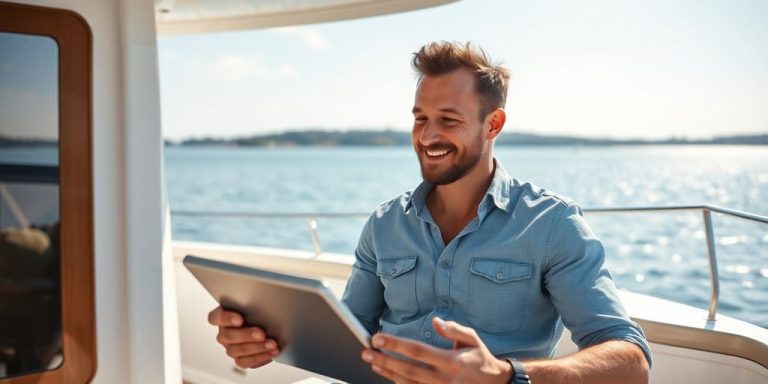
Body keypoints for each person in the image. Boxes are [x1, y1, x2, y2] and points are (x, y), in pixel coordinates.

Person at [208, 41, 652, 384]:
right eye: (420, 118)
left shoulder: (551, 224)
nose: (428, 136)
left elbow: (631, 363)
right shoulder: (385, 224)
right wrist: (267, 342)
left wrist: (503, 375)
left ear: (493, 124)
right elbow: (348, 340)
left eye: (449, 120)